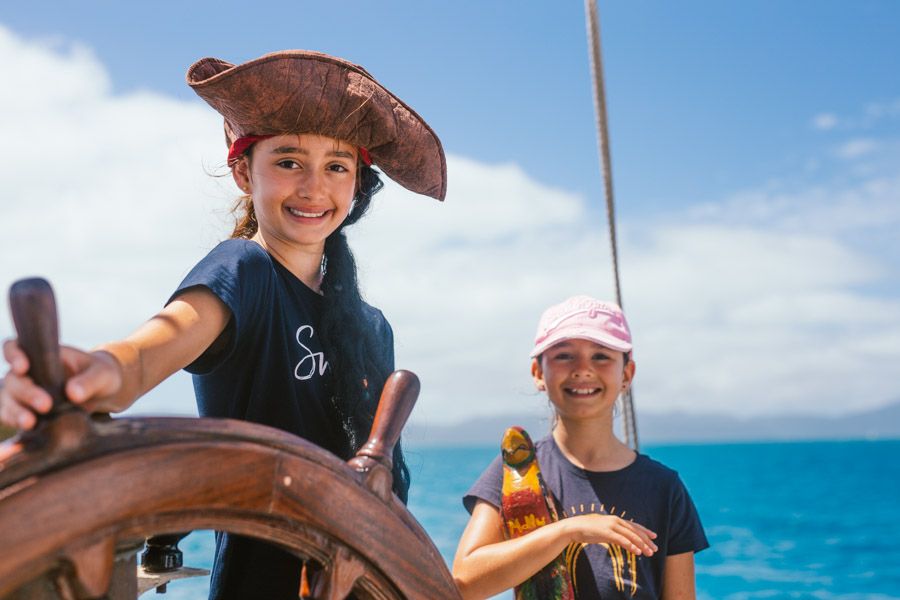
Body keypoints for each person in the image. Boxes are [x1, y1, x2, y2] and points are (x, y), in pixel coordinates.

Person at [0, 50, 446, 599]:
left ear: (356, 184)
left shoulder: (371, 326)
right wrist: (97, 372)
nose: (313, 187)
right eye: (288, 162)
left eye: (336, 166)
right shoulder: (243, 270)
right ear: (243, 171)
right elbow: (151, 348)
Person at [453, 295, 708, 599]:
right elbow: (464, 582)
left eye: (601, 356)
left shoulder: (664, 488)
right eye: (564, 356)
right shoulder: (515, 469)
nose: (582, 369)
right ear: (538, 373)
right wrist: (569, 531)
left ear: (626, 374)